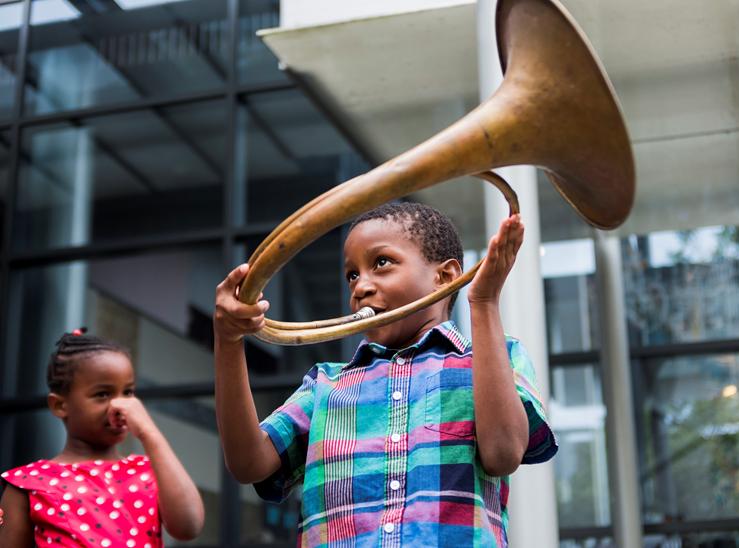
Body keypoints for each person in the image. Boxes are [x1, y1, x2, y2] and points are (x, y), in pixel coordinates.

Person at [214, 202, 557, 546]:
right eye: (352, 275)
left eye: (381, 263)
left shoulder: (493, 357)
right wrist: (228, 340)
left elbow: (503, 453)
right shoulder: (325, 385)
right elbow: (248, 464)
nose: (360, 286)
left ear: (445, 277)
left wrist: (483, 303)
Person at [0, 330, 205, 547]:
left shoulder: (149, 470)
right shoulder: (27, 483)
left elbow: (188, 526)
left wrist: (148, 432)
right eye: (103, 394)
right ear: (60, 405)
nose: (121, 406)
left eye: (128, 393)